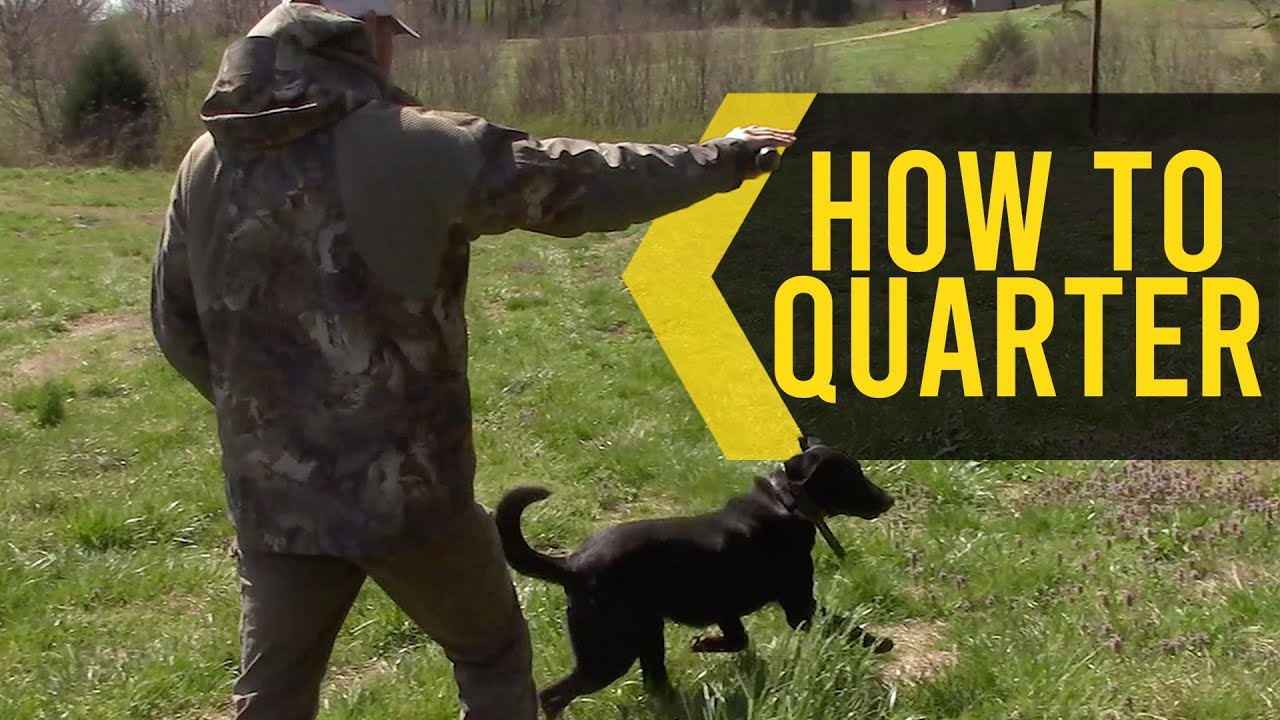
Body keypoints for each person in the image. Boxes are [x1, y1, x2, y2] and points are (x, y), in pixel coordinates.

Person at [149, 0, 796, 718]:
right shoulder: (413, 142)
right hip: (408, 499)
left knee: (271, 696)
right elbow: (581, 180)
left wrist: (278, 427)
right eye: (391, 34)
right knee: (490, 656)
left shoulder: (204, 159)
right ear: (365, 33)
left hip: (275, 500)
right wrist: (726, 156)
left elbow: (175, 323)